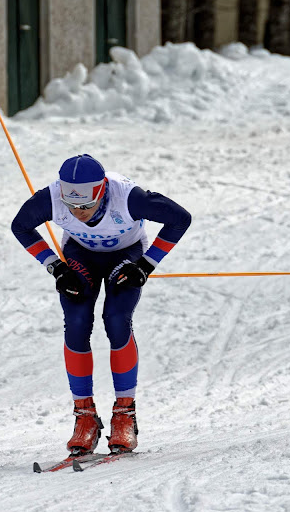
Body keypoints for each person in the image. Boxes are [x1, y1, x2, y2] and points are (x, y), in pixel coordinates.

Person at [11, 154, 191, 456]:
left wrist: (146, 265)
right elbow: (20, 227)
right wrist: (55, 266)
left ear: (102, 190)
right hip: (80, 256)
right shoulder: (52, 197)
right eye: (72, 206)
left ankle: (125, 414)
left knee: (116, 318)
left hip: (127, 254)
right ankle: (85, 418)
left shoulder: (128, 197)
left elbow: (180, 219)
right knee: (77, 322)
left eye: (86, 206)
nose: (78, 213)